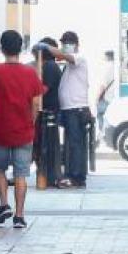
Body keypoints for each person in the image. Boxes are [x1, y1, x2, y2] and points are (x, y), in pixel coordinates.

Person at [0, 31, 44, 229]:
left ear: (1, 48)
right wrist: (31, 120)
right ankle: (19, 215)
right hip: (24, 130)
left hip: (0, 129)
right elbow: (36, 102)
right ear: (21, 48)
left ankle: (4, 204)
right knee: (21, 174)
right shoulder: (30, 73)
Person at [53, 30, 91, 188]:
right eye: (64, 43)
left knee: (75, 144)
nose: (65, 46)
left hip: (77, 109)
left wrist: (48, 48)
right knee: (72, 143)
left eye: (68, 43)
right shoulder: (68, 65)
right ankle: (74, 175)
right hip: (70, 109)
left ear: (76, 44)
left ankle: (76, 177)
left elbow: (65, 56)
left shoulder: (79, 58)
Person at [32, 38, 64, 187]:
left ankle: (49, 176)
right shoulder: (46, 66)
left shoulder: (50, 67)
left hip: (48, 111)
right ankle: (46, 175)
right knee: (42, 145)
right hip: (45, 110)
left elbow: (43, 90)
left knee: (47, 145)